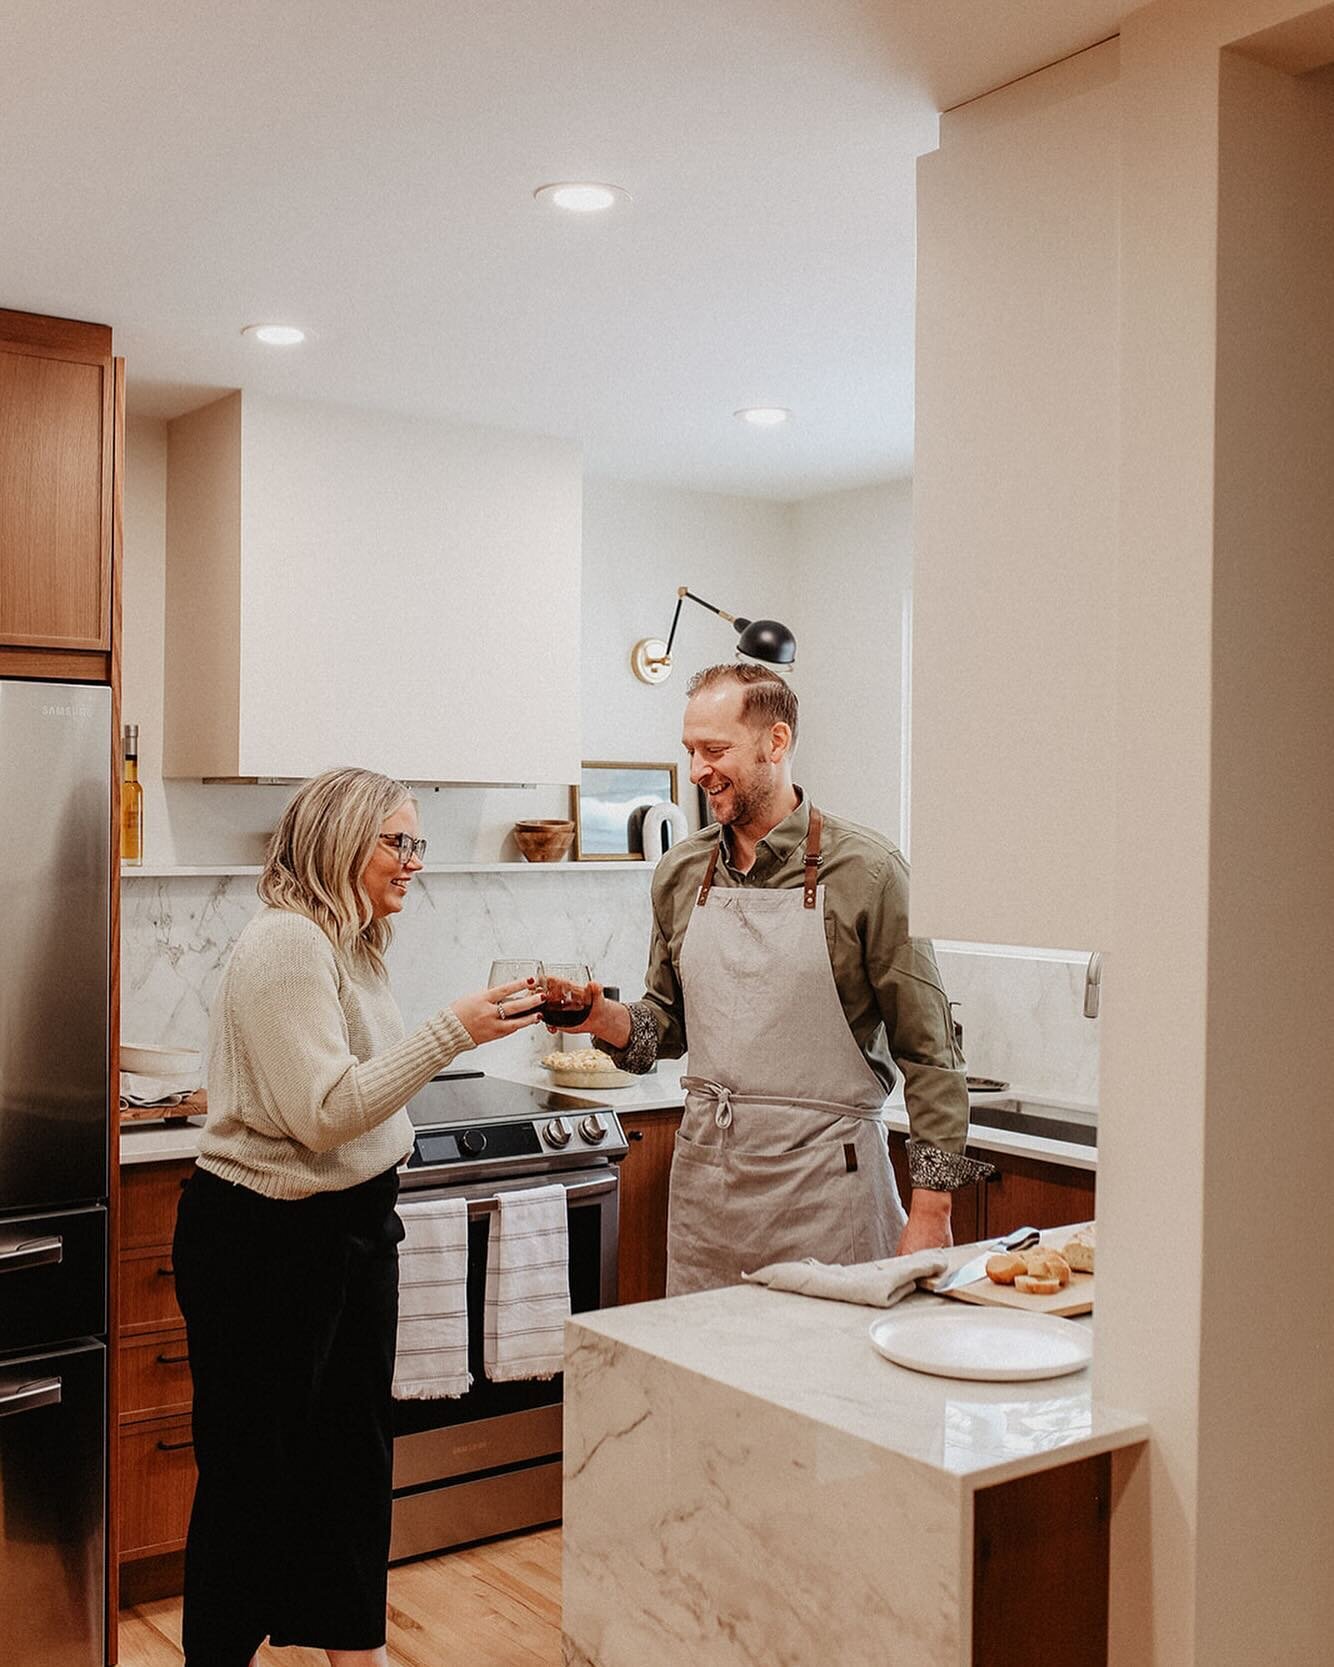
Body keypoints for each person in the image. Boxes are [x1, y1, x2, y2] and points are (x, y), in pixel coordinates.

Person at [172, 767, 542, 1667]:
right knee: (253, 1477)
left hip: (349, 1225)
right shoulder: (288, 943)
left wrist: (455, 1030)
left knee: (348, 1462)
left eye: (419, 842)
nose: (414, 861)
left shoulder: (357, 940)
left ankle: (355, 1652)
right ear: (342, 839)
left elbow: (359, 1096)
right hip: (264, 1236)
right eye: (398, 842)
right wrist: (450, 1030)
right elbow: (325, 1110)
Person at [569, 663, 988, 1295]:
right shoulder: (681, 873)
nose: (696, 770)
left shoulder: (869, 873)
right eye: (689, 751)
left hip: (829, 1195)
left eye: (714, 750)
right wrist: (596, 1016)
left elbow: (931, 1054)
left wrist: (932, 1211)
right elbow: (667, 1027)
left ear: (777, 742)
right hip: (707, 1194)